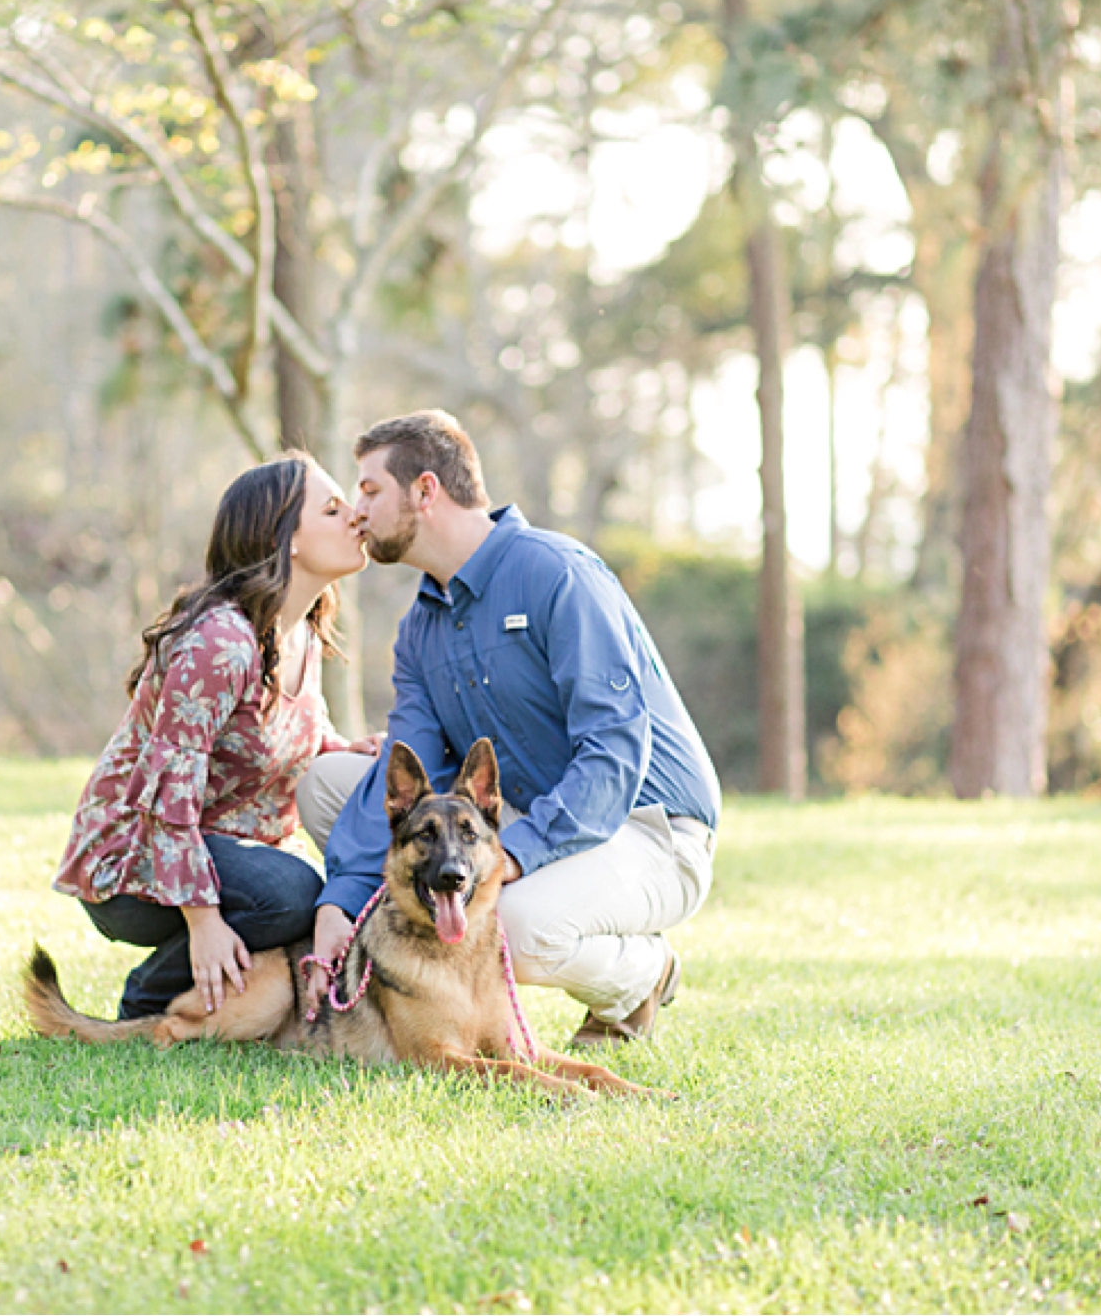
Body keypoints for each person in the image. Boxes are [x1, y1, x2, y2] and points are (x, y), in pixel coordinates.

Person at [297, 411, 721, 1045]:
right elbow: (409, 782)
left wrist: (514, 857)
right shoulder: (419, 629)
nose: (357, 511)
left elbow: (612, 756)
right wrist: (340, 900)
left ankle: (644, 975)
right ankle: (409, 980)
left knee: (510, 928)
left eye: (369, 489)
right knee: (328, 782)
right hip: (524, 815)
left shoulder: (557, 574)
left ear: (426, 490)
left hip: (651, 827)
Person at [53, 453, 379, 1019]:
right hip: (133, 858)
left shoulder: (300, 627)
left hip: (213, 849)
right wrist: (203, 921)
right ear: (287, 541)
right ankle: (150, 1000)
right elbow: (166, 794)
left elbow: (288, 729)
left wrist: (341, 748)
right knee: (292, 895)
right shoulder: (220, 644)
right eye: (332, 509)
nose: (356, 516)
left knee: (300, 889)